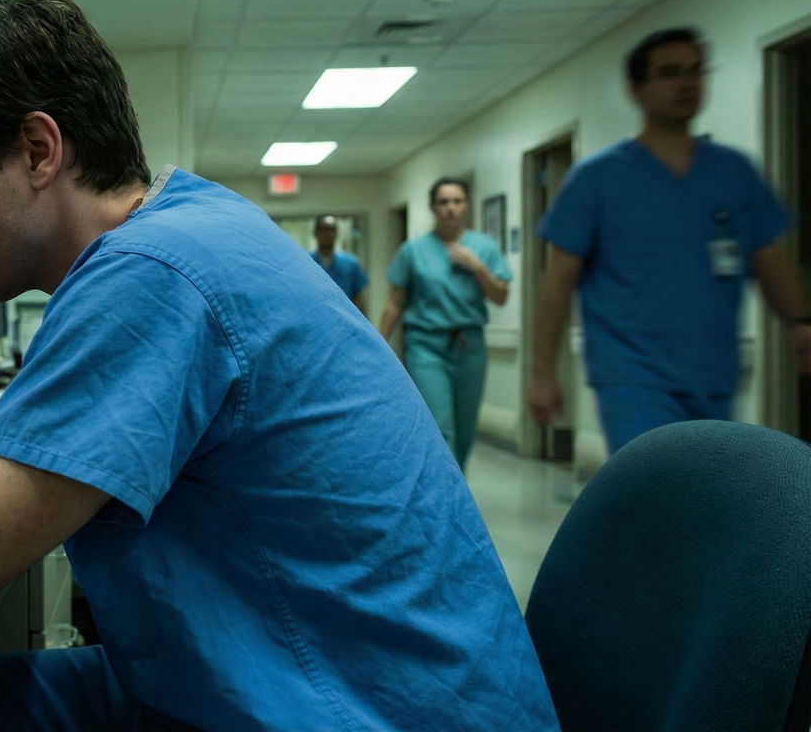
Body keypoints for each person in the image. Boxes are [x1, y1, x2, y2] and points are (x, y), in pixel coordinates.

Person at [0, 0, 555, 731]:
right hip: (319, 675)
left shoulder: (151, 278)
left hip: (356, 708)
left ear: (37, 150)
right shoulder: (186, 226)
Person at [529, 27, 811, 454]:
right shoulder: (598, 179)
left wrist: (799, 323)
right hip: (632, 375)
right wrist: (543, 372)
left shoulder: (733, 172)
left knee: (709, 495)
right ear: (636, 91)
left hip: (712, 370)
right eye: (669, 73)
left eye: (696, 71)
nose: (686, 83)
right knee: (658, 492)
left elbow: (767, 255)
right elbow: (558, 280)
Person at [377, 179, 512, 472]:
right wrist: (379, 344)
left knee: (464, 429)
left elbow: (501, 296)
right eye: (443, 202)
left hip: (470, 346)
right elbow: (395, 302)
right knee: (441, 427)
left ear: (466, 206)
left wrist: (478, 268)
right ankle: (443, 501)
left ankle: (456, 489)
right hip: (426, 346)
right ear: (433, 207)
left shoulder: (484, 248)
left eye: (457, 201)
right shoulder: (413, 250)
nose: (450, 208)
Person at [309, 213, 369, 314]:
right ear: (315, 233)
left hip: (344, 318)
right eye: (323, 230)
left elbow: (359, 299)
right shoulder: (308, 262)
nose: (328, 234)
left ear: (336, 233)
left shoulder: (350, 263)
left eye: (331, 230)